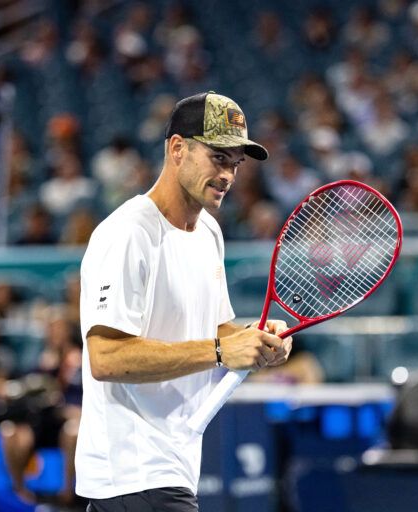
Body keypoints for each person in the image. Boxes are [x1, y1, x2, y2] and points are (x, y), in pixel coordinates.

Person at [75, 92, 293, 511]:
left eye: (235, 163)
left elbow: (214, 330)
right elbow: (105, 357)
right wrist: (220, 350)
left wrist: (254, 339)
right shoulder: (126, 234)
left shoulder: (209, 231)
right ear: (178, 149)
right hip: (135, 472)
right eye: (218, 158)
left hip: (169, 468)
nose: (228, 174)